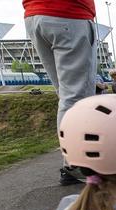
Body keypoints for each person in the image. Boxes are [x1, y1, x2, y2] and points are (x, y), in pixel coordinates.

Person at [23, 0, 97, 186]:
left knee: (66, 96)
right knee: (76, 99)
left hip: (35, 15)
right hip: (69, 14)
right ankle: (76, 164)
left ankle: (73, 161)